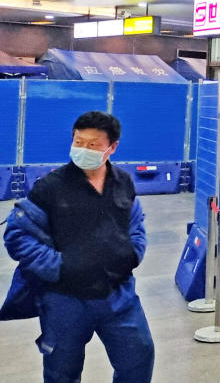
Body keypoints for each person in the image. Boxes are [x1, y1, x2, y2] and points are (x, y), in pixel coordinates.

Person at [1, 111, 154, 383]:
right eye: (78, 142)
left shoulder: (123, 183)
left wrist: (131, 254)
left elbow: (136, 225)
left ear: (112, 147)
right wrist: (61, 266)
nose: (83, 149)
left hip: (118, 296)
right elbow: (17, 235)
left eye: (93, 144)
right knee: (62, 373)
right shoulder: (50, 188)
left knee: (138, 360)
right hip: (65, 300)